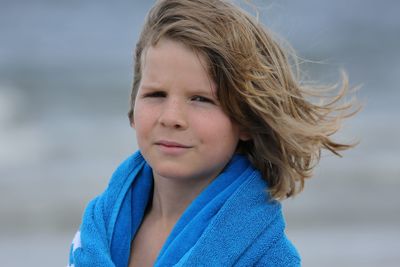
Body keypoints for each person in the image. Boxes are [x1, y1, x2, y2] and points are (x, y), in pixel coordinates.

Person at [68, 0, 358, 266]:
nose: (171, 118)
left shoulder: (268, 256)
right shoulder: (98, 229)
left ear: (245, 120)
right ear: (133, 109)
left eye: (200, 99)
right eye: (156, 94)